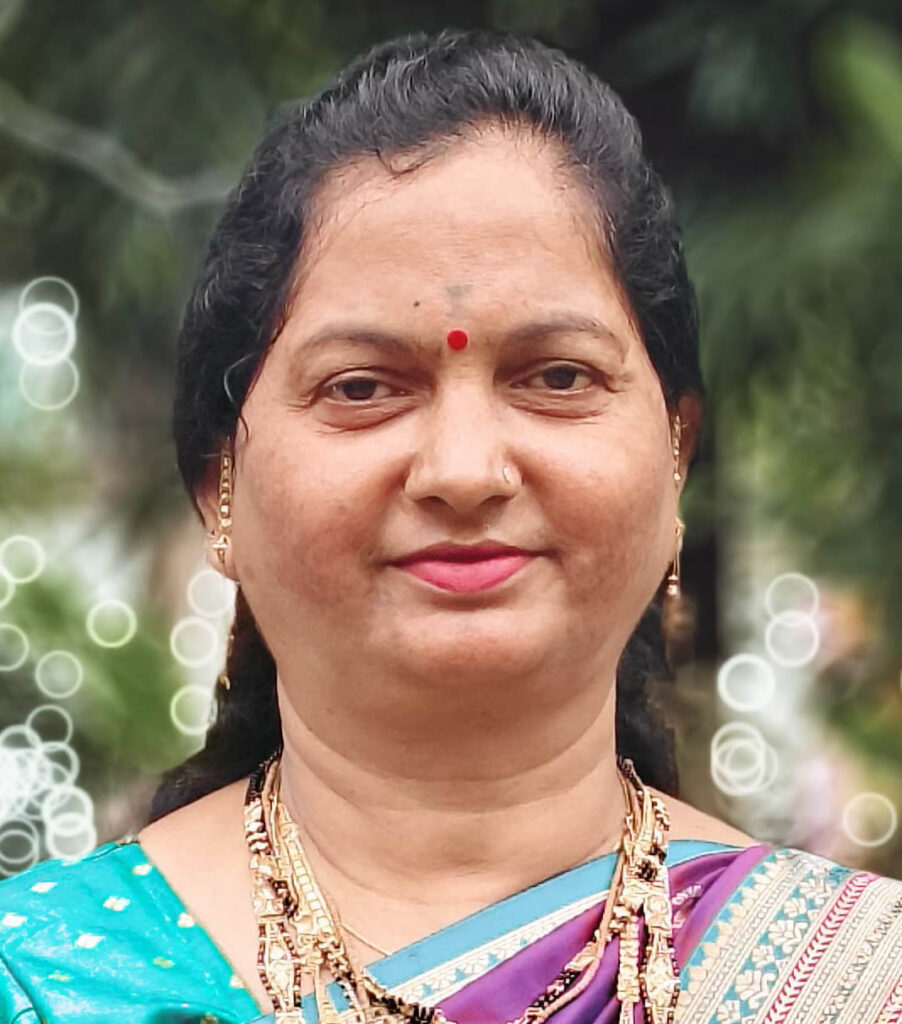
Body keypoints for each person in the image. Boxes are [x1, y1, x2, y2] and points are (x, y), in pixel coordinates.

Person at [1, 27, 900, 1024]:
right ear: (220, 485)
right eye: (361, 387)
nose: (464, 471)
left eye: (557, 375)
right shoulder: (45, 979)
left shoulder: (857, 983)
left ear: (676, 456)